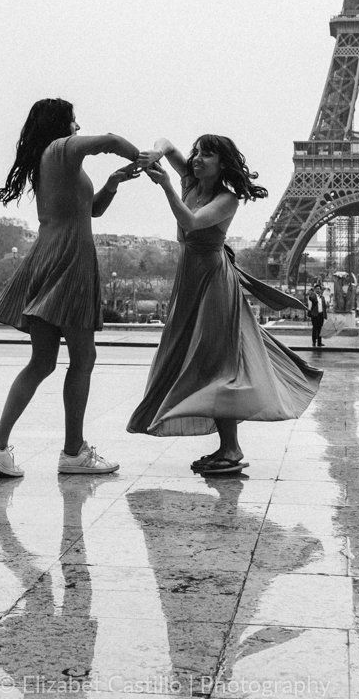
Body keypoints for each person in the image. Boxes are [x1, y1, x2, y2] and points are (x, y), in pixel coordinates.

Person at [127, 134, 322, 475]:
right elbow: (168, 145)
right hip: (191, 278)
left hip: (213, 283)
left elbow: (190, 222)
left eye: (208, 154)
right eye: (198, 152)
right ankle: (226, 446)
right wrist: (156, 153)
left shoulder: (226, 199)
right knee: (206, 363)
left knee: (218, 364)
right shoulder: (192, 179)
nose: (198, 158)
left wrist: (166, 186)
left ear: (222, 164)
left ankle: (231, 448)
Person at [0, 98, 139, 479]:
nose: (77, 124)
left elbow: (91, 211)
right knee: (83, 359)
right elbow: (111, 140)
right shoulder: (60, 148)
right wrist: (147, 159)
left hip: (47, 256)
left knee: (42, 361)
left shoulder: (48, 160)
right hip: (71, 259)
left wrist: (113, 184)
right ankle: (72, 452)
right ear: (59, 123)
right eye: (72, 118)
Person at [309, 281, 327, 348]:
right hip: (315, 315)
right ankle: (314, 342)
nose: (318, 290)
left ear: (320, 290)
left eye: (319, 289)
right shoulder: (313, 296)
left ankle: (319, 342)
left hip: (321, 315)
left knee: (320, 329)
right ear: (315, 289)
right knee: (314, 329)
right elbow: (311, 298)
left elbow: (324, 306)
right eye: (317, 289)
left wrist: (325, 315)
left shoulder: (322, 297)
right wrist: (313, 293)